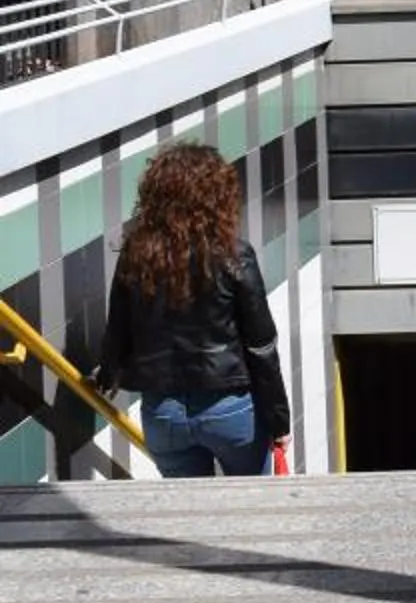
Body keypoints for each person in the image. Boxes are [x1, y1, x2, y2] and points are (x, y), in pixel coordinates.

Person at [94, 143, 291, 477]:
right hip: (230, 408)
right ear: (217, 197)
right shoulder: (234, 255)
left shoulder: (136, 256)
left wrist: (107, 375)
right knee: (253, 508)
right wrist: (279, 421)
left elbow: (118, 329)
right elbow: (261, 346)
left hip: (163, 412)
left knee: (186, 514)